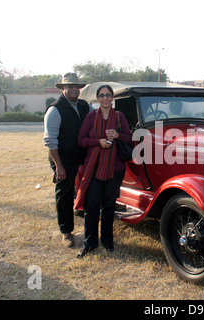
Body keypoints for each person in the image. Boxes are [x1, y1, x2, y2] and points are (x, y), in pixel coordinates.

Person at [74, 84, 132, 258]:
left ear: (112, 98)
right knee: (92, 207)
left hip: (116, 169)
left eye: (108, 95)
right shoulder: (91, 117)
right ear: (98, 98)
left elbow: (130, 139)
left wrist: (118, 135)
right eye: (102, 95)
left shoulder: (120, 117)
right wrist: (98, 141)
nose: (105, 98)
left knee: (108, 207)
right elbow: (81, 140)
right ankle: (89, 243)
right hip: (95, 168)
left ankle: (107, 241)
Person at [43, 73, 94, 247]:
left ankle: (86, 219)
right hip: (63, 158)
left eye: (76, 86)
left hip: (83, 155)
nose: (74, 89)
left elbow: (99, 119)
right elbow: (50, 141)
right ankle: (66, 231)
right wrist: (59, 166)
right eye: (70, 86)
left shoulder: (85, 106)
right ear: (63, 88)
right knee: (64, 194)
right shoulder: (55, 109)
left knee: (90, 188)